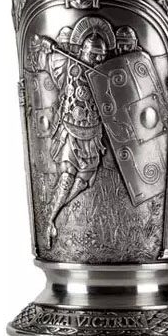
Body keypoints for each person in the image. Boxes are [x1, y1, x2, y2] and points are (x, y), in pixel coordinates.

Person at [33, 32, 109, 247]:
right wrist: (46, 47)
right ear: (85, 52)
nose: (99, 60)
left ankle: (54, 212)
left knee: (85, 179)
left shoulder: (102, 74)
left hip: (92, 133)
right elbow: (48, 61)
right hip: (70, 129)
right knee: (67, 175)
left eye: (102, 57)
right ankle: (49, 221)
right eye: (96, 56)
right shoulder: (69, 65)